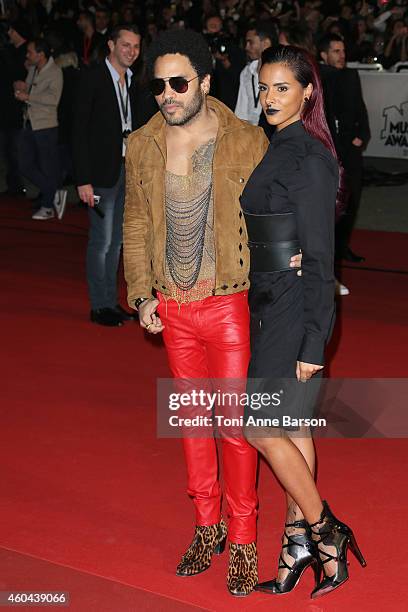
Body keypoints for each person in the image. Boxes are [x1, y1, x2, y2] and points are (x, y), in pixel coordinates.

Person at [123, 29, 301, 597]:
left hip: (227, 301)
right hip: (172, 307)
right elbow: (134, 224)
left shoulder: (247, 140)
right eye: (159, 85)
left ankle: (244, 540)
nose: (167, 95)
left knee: (235, 428)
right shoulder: (142, 144)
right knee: (194, 425)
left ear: (204, 82)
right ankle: (208, 527)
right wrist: (142, 292)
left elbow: (278, 211)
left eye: (179, 83)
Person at [241, 45, 366, 599]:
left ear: (308, 91)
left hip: (293, 306)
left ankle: (325, 530)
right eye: (264, 88)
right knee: (291, 427)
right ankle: (298, 548)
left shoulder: (310, 157)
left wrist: (316, 337)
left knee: (260, 426)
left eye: (282, 88)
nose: (270, 98)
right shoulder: (280, 145)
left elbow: (320, 256)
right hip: (269, 299)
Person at [72, 24, 155, 327]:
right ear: (110, 45)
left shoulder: (134, 81)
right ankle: (99, 305)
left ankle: (111, 302)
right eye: (125, 46)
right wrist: (82, 178)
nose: (131, 52)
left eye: (135, 46)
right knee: (102, 240)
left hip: (126, 169)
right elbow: (78, 131)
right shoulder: (92, 78)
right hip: (99, 173)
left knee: (117, 241)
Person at [318, 33, 370, 265]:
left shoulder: (350, 75)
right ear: (324, 55)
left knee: (353, 198)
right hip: (330, 150)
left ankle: (343, 246)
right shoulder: (321, 78)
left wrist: (363, 134)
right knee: (332, 202)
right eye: (336, 51)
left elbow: (360, 106)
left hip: (351, 147)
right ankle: (331, 248)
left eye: (343, 51)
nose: (342, 56)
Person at [14, 38, 64, 220]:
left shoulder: (55, 72)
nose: (27, 55)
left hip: (46, 126)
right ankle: (52, 191)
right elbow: (32, 89)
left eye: (30, 52)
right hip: (30, 123)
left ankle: (48, 205)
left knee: (47, 167)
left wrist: (28, 95)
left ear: (41, 54)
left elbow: (53, 100)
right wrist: (22, 87)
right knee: (24, 164)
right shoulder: (34, 69)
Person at [235, 20, 277, 126]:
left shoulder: (280, 74)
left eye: (251, 42)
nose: (246, 47)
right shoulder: (246, 72)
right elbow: (241, 113)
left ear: (266, 44)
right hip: (250, 135)